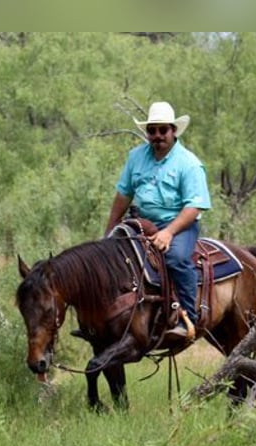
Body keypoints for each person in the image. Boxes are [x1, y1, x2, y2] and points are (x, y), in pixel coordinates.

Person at [104, 101, 211, 337]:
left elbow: (194, 206)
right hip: (140, 221)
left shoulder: (188, 163)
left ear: (173, 131)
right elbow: (124, 194)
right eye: (152, 131)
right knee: (111, 258)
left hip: (179, 225)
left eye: (163, 130)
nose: (157, 136)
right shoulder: (136, 157)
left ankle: (188, 318)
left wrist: (168, 233)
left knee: (176, 259)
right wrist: (109, 230)